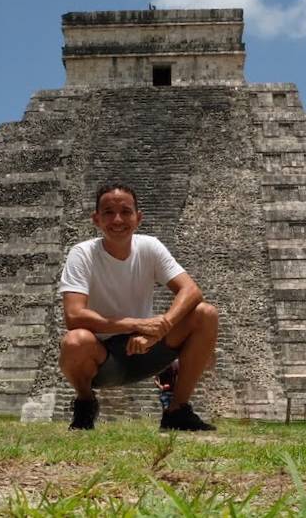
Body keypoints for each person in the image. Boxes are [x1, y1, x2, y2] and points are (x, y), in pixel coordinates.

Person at [57, 183, 219, 431]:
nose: (118, 219)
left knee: (205, 314)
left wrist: (160, 328)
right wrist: (137, 324)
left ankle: (177, 410)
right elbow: (74, 315)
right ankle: (86, 402)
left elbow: (191, 290)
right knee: (74, 341)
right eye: (109, 212)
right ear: (96, 219)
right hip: (102, 357)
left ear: (138, 217)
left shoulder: (149, 246)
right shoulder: (82, 253)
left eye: (126, 211)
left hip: (147, 348)